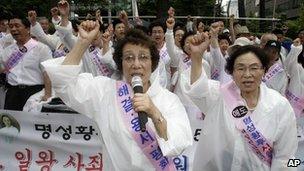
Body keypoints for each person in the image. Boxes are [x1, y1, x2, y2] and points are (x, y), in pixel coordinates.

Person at [42, 20, 192, 170]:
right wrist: (83, 42)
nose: (136, 64)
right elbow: (64, 83)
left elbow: (179, 143)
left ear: (153, 63)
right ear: (120, 63)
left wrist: (154, 112)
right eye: (129, 58)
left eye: (143, 57)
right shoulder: (105, 91)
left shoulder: (169, 100)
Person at [180, 31, 297, 170]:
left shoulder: (280, 106)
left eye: (254, 68)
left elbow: (287, 158)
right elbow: (197, 89)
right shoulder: (219, 96)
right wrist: (197, 56)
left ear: (264, 70)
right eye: (240, 68)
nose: (247, 74)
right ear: (231, 72)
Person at [0, 15, 52, 110]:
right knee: (11, 124)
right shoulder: (7, 51)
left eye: (17, 25)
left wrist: (48, 95)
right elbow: (3, 69)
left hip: (34, 94)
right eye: (11, 26)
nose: (13, 29)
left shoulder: (42, 48)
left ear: (28, 29)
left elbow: (47, 74)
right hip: (12, 93)